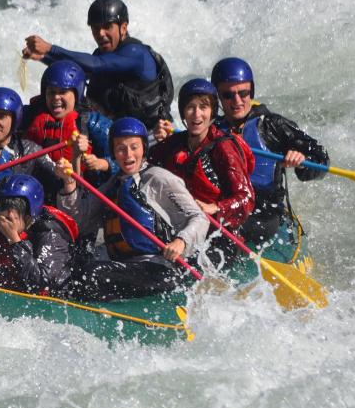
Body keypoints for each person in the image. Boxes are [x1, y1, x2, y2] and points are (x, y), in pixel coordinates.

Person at [54, 117, 209, 300]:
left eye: (134, 147)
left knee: (92, 275)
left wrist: (181, 241)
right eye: (121, 148)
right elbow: (79, 220)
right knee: (77, 262)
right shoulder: (114, 183)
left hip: (159, 269)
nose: (128, 155)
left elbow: (200, 218)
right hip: (124, 267)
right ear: (113, 152)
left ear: (144, 148)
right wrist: (69, 183)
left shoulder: (159, 178)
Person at [211, 57, 329, 246]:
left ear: (252, 91)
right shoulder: (211, 130)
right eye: (228, 95)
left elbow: (321, 160)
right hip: (225, 207)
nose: (237, 101)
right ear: (217, 96)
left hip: (264, 212)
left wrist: (303, 160)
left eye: (244, 93)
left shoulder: (272, 126)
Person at [22, 0, 174, 132]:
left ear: (123, 27)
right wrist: (43, 57)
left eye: (107, 26)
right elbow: (80, 73)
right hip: (113, 131)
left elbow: (96, 64)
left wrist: (50, 48)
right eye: (95, 28)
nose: (100, 33)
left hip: (149, 134)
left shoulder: (136, 53)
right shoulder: (101, 55)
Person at [149, 79, 255, 233]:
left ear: (212, 111)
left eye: (203, 107)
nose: (197, 114)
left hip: (216, 231)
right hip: (179, 225)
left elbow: (246, 198)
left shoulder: (224, 148)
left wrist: (216, 207)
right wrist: (151, 139)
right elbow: (144, 166)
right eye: (190, 107)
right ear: (183, 112)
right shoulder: (172, 144)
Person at [0, 174, 78, 294]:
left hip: (44, 304)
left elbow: (40, 282)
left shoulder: (51, 234)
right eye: (1, 211)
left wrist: (15, 240)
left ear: (28, 217)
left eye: (10, 218)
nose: (3, 222)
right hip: (3, 296)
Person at [21, 60, 113, 193]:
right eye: (51, 92)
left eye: (63, 92)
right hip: (39, 190)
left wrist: (104, 164)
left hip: (82, 193)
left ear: (77, 94)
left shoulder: (92, 122)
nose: (56, 97)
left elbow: (123, 156)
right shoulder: (30, 115)